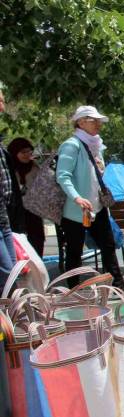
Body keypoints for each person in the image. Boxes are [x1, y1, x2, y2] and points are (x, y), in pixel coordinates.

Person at [56, 105, 124, 292]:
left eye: (99, 120)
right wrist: (77, 198)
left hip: (97, 206)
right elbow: (62, 176)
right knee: (74, 250)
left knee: (108, 244)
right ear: (80, 122)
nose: (98, 124)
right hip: (76, 210)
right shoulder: (71, 145)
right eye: (93, 120)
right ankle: (74, 287)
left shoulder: (96, 144)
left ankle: (117, 281)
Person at [6, 138, 45, 256]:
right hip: (13, 213)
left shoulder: (34, 167)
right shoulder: (8, 169)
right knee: (17, 244)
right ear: (14, 152)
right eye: (23, 152)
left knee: (37, 241)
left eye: (29, 152)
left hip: (33, 211)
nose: (27, 155)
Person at [0, 90, 17, 289]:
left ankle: (11, 316)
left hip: (3, 213)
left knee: (13, 270)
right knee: (6, 272)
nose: (3, 106)